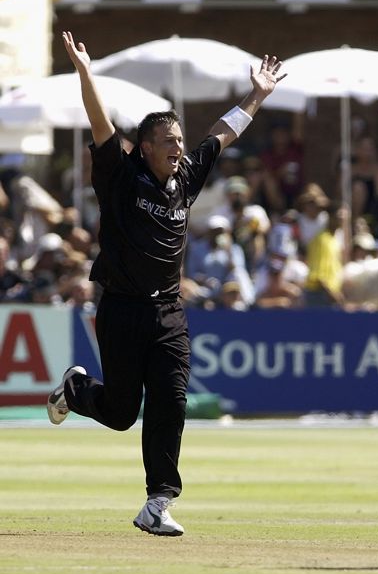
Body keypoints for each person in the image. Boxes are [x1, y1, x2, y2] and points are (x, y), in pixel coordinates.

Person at [46, 31, 286, 536]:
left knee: (171, 402)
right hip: (122, 308)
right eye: (171, 141)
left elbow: (221, 134)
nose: (180, 147)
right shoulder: (118, 174)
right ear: (147, 146)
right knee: (119, 414)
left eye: (181, 141)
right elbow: (99, 121)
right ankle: (76, 387)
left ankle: (158, 502)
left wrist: (257, 95)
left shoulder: (185, 176)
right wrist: (86, 73)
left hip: (168, 312)